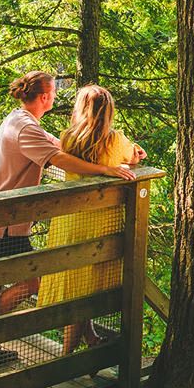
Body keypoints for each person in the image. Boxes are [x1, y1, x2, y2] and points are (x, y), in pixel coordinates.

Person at [0, 71, 134, 371]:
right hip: (4, 220)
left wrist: (109, 151)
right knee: (23, 281)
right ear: (45, 96)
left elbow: (59, 147)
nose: (58, 97)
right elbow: (60, 159)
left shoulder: (21, 120)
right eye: (54, 93)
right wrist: (105, 169)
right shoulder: (26, 129)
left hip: (3, 215)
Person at [37, 84, 146, 356]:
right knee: (86, 289)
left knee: (76, 284)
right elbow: (129, 160)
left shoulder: (68, 138)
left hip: (70, 219)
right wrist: (136, 157)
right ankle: (65, 359)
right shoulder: (116, 140)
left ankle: (89, 340)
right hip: (100, 222)